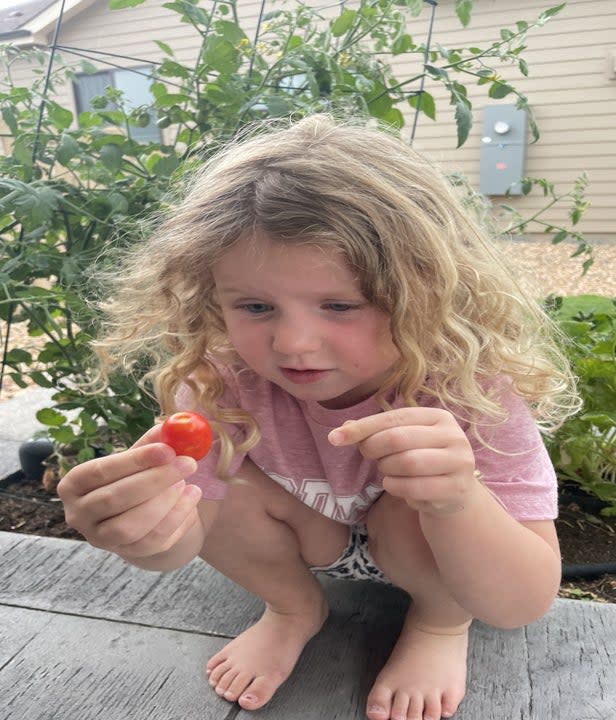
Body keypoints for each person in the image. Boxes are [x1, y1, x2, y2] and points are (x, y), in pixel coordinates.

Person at [58, 114, 579, 720]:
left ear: (429, 292)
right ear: (210, 297)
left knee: (422, 498)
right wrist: (142, 533)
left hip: (430, 553)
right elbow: (186, 540)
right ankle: (292, 607)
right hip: (312, 536)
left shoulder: (472, 389)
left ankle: (437, 626)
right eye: (255, 306)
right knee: (217, 480)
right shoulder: (219, 383)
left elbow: (523, 603)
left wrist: (458, 500)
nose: (294, 345)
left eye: (340, 305)